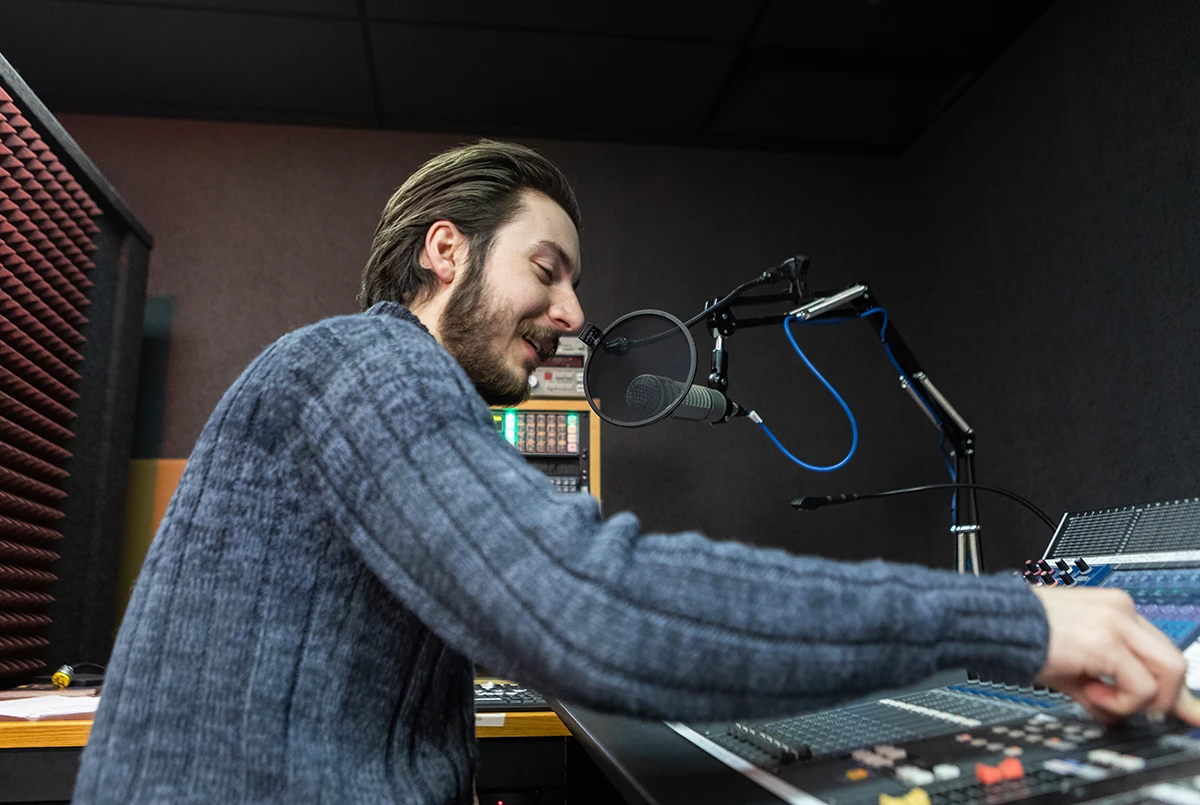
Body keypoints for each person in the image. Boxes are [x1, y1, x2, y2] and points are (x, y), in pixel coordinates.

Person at [73, 141, 1199, 804]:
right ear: (446, 250)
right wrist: (1019, 623)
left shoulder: (374, 387)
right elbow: (592, 608)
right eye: (549, 270)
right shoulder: (365, 361)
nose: (571, 314)